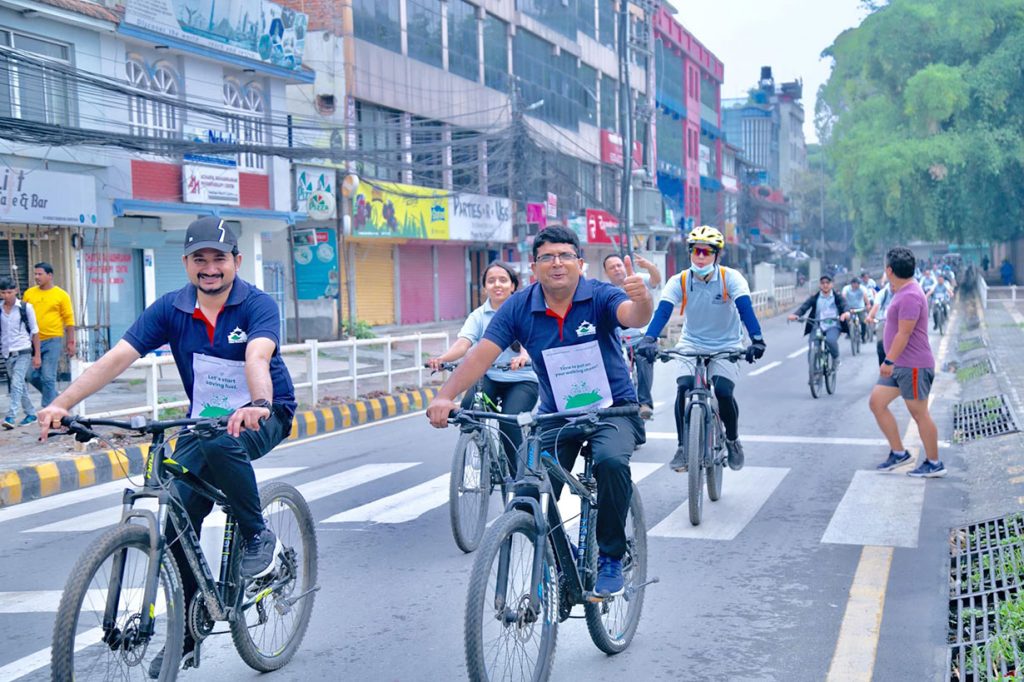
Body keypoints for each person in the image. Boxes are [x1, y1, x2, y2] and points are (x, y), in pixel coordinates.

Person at [36, 217, 297, 675]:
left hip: (264, 413)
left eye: (219, 259)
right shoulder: (170, 309)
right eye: (201, 259)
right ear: (186, 264)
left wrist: (259, 402)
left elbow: (258, 354)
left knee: (223, 444)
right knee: (176, 510)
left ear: (236, 261)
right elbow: (117, 358)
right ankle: (190, 637)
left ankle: (257, 533)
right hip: (205, 420)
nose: (210, 268)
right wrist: (60, 404)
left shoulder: (257, 305)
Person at [426, 225, 652, 597]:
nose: (557, 263)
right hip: (556, 417)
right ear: (534, 268)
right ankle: (560, 562)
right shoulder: (520, 306)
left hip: (613, 411)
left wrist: (643, 299)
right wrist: (445, 395)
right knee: (528, 492)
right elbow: (482, 353)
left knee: (612, 463)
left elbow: (633, 316)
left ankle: (611, 555)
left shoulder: (600, 296)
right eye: (547, 257)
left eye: (565, 255)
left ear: (580, 263)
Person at [636, 225, 765, 472]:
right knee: (683, 387)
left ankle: (732, 440)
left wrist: (757, 339)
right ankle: (683, 447)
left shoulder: (731, 278)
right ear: (691, 253)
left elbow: (745, 308)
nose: (701, 257)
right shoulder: (680, 280)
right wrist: (649, 339)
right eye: (696, 251)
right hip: (692, 342)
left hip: (727, 344)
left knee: (724, 391)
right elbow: (663, 312)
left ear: (717, 255)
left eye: (707, 252)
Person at [427, 261, 538, 472]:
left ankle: (519, 479)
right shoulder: (478, 315)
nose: (498, 285)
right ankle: (480, 447)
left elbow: (529, 343)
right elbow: (463, 344)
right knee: (468, 411)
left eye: (503, 280)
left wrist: (523, 357)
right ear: (485, 287)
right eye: (491, 281)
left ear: (513, 285)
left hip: (522, 379)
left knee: (509, 421)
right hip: (489, 377)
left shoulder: (524, 310)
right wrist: (442, 359)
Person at [871, 247, 946, 478]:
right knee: (877, 402)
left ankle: (934, 463)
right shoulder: (901, 290)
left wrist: (889, 359)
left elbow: (904, 333)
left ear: (889, 270)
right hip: (900, 365)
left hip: (912, 364)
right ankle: (898, 452)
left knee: (919, 414)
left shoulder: (911, 295)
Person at [604, 252, 662, 420]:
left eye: (618, 265)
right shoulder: (606, 291)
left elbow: (656, 280)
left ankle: (645, 403)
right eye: (611, 268)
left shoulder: (637, 279)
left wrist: (649, 266)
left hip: (641, 336)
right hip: (619, 339)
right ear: (607, 273)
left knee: (644, 359)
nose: (616, 269)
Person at [23, 262, 75, 408]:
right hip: (33, 341)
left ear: (50, 276)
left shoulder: (61, 295)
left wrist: (71, 342)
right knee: (30, 375)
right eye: (35, 274)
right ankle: (54, 397)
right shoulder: (29, 293)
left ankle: (48, 409)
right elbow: (23, 315)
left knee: (48, 376)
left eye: (40, 274)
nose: (36, 277)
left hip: (53, 339)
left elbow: (69, 321)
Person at [0, 277, 40, 428]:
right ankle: (31, 413)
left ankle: (11, 416)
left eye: (9, 292)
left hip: (23, 351)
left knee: (16, 383)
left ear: (15, 291)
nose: (6, 295)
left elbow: (35, 332)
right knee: (20, 385)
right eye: (3, 292)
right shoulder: (0, 309)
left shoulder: (26, 308)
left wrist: (37, 355)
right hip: (7, 353)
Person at [788, 275, 851, 367]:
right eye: (823, 283)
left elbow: (844, 305)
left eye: (827, 283)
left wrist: (846, 313)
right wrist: (795, 315)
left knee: (830, 340)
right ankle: (813, 372)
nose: (825, 285)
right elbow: (804, 307)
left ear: (832, 284)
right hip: (817, 326)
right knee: (813, 345)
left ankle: (836, 358)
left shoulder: (837, 297)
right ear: (820, 285)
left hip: (833, 325)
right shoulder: (815, 297)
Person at [866, 281, 895, 366]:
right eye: (892, 286)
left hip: (900, 322)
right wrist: (870, 316)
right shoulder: (884, 293)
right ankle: (883, 368)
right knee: (880, 345)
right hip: (883, 320)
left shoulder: (904, 292)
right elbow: (876, 305)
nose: (894, 288)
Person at [841, 278, 870, 342]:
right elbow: (843, 296)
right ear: (852, 284)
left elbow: (865, 296)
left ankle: (863, 336)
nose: (858, 285)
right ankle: (849, 332)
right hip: (849, 308)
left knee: (863, 321)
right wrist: (844, 305)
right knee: (847, 319)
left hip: (860, 307)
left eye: (859, 284)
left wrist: (868, 304)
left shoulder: (863, 287)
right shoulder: (846, 288)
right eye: (856, 284)